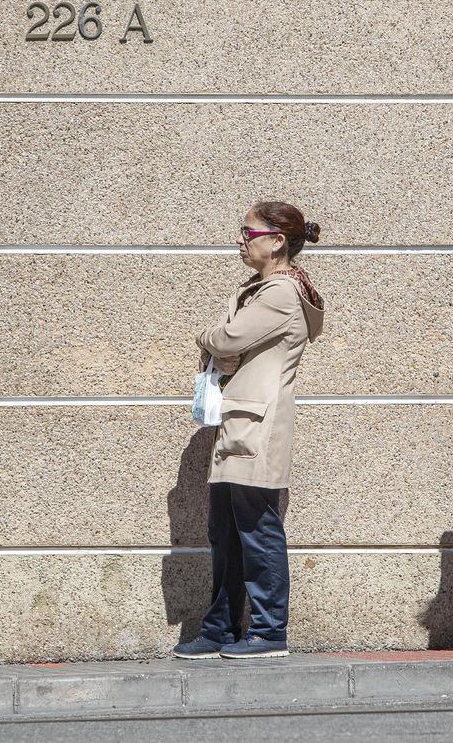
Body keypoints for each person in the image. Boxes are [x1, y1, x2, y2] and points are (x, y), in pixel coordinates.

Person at [172, 201, 325, 660]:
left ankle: (268, 630)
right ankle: (220, 627)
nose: (241, 239)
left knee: (258, 531)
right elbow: (232, 345)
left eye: (249, 232)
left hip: (258, 429)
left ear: (277, 241)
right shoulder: (258, 290)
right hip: (238, 425)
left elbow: (227, 340)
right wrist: (224, 342)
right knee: (225, 531)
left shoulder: (278, 293)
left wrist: (213, 338)